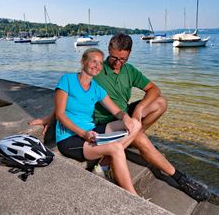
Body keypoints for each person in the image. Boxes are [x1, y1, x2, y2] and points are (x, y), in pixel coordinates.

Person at [30, 33, 210, 201]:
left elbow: (153, 90)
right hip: (102, 122)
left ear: (129, 54)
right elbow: (69, 100)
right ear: (108, 50)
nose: (117, 63)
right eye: (114, 58)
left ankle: (130, 139)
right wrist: (49, 118)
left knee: (160, 103)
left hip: (120, 114)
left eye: (122, 59)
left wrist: (138, 110)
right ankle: (178, 177)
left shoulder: (128, 70)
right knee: (137, 134)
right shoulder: (96, 71)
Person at [38, 48, 142, 195]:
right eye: (94, 61)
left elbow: (117, 111)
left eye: (100, 63)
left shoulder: (96, 88)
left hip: (92, 133)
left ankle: (104, 163)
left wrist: (126, 118)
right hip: (70, 139)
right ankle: (134, 197)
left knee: (136, 124)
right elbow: (60, 114)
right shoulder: (67, 80)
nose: (97, 66)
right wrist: (83, 133)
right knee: (117, 149)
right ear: (83, 61)